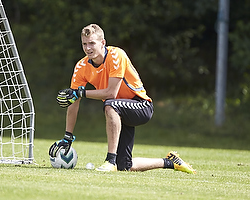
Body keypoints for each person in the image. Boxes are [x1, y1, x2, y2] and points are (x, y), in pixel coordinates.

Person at [49, 24, 196, 174]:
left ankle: (110, 161)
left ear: (103, 43)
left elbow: (111, 93)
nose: (88, 48)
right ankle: (170, 162)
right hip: (119, 110)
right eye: (84, 44)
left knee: (110, 105)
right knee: (125, 166)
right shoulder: (81, 66)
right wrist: (68, 137)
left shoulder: (116, 55)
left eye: (92, 43)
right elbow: (73, 102)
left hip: (141, 106)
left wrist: (81, 93)